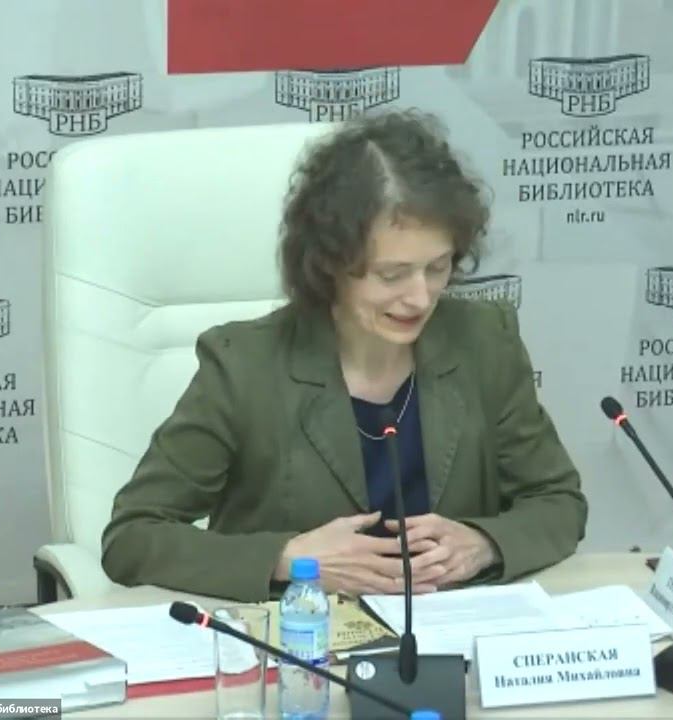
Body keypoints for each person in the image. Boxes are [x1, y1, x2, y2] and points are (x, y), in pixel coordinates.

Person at [100, 109, 587, 602]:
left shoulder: (483, 342)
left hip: (449, 630)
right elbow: (133, 537)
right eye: (392, 275)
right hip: (300, 636)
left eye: (437, 268)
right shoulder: (244, 367)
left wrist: (484, 544)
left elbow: (558, 503)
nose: (420, 297)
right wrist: (290, 559)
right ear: (329, 264)